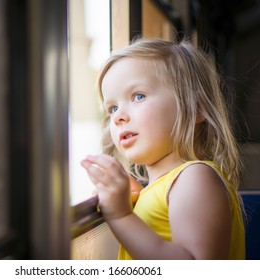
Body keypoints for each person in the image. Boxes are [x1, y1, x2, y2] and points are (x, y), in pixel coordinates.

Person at [81, 38, 245, 260]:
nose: (118, 116)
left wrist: (121, 215)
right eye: (112, 108)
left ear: (195, 107)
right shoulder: (167, 187)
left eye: (138, 96)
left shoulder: (196, 177)